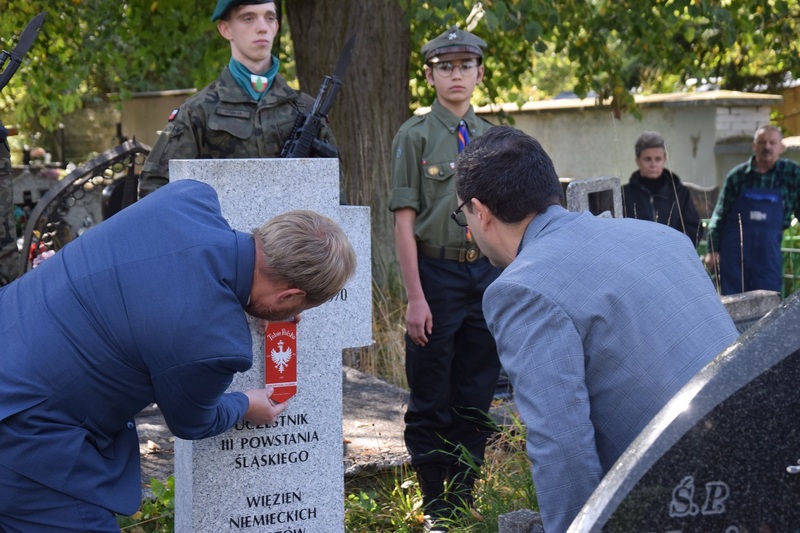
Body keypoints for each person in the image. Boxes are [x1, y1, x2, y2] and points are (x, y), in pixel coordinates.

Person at [0, 179, 356, 532]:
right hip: (23, 436)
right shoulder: (216, 344)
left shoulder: (187, 198)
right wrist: (245, 404)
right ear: (288, 296)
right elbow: (193, 421)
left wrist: (259, 305)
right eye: (302, 304)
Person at [454, 126, 739, 532]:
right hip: (760, 470)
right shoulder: (664, 238)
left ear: (479, 212)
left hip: (681, 507)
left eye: (462, 215)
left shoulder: (522, 289)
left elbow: (562, 450)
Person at [388, 25, 500, 528]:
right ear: (430, 75)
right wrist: (415, 296)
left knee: (476, 394)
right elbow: (404, 221)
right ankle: (437, 507)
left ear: (479, 73)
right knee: (432, 396)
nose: (456, 75)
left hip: (487, 273)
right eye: (446, 67)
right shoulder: (414, 137)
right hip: (435, 275)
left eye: (465, 66)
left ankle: (463, 496)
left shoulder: (495, 137)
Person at [140, 0, 335, 187]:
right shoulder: (198, 111)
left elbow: (334, 187)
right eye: (248, 18)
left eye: (269, 18)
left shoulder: (306, 110)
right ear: (226, 29)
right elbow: (156, 184)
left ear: (276, 27)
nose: (262, 27)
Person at [704, 125, 800, 295]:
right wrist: (712, 249)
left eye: (772, 142)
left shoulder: (791, 174)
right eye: (762, 142)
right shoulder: (738, 176)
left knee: (769, 308)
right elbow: (719, 214)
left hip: (767, 257)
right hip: (734, 258)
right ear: (754, 146)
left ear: (781, 148)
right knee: (734, 308)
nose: (767, 147)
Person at [622, 131, 702, 246]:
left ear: (664, 160)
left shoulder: (680, 193)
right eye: (647, 159)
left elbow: (694, 228)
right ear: (638, 161)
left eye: (658, 159)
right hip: (637, 258)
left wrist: (676, 248)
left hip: (673, 256)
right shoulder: (625, 194)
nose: (653, 164)